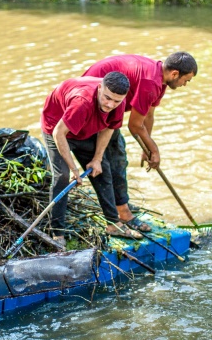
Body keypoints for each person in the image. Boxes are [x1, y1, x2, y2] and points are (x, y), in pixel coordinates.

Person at [82, 52, 198, 232]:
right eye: (186, 80)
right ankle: (122, 214)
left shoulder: (160, 79)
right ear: (175, 74)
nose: (185, 85)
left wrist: (146, 148)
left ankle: (121, 205)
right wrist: (155, 150)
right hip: (93, 104)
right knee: (111, 160)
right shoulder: (150, 82)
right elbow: (134, 126)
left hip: (109, 108)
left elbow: (148, 116)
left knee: (118, 157)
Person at [41, 71, 143, 244]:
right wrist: (74, 169)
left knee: (102, 170)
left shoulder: (118, 102)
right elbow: (59, 133)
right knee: (62, 177)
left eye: (116, 101)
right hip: (56, 129)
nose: (110, 104)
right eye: (106, 98)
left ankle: (113, 224)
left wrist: (97, 158)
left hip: (86, 128)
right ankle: (57, 231)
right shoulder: (83, 102)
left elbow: (108, 128)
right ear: (99, 88)